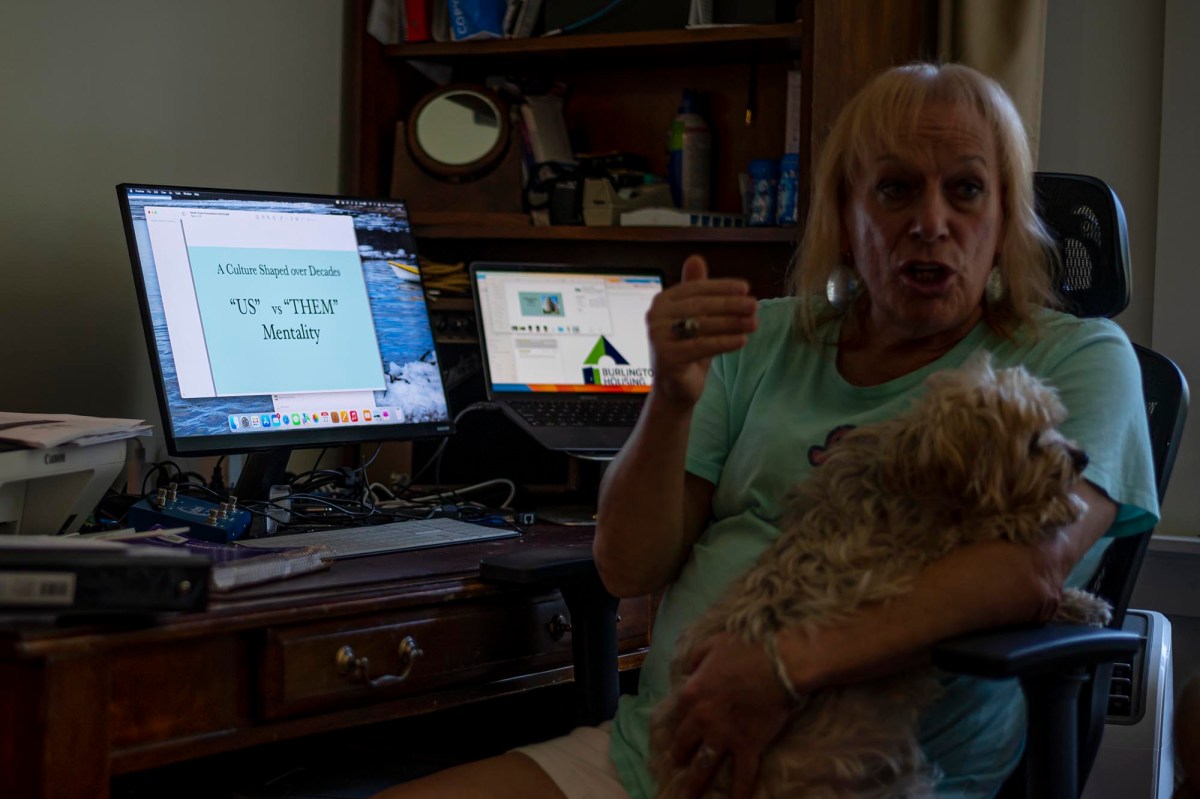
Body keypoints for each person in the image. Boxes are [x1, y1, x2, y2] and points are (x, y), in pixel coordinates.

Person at [372, 62, 1158, 799]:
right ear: (846, 217)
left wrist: (779, 671)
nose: (930, 222)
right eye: (894, 190)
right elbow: (626, 565)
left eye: (966, 191)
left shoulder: (1074, 358)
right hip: (659, 754)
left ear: (1005, 217)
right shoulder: (762, 338)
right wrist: (670, 402)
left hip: (855, 769)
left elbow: (1025, 572)